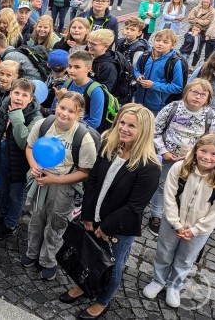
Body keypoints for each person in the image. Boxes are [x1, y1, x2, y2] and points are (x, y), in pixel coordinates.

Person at [60, 104, 160, 319]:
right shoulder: (109, 145)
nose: (124, 128)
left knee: (112, 266)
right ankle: (85, 285)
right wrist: (87, 215)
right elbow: (93, 180)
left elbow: (135, 206)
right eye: (122, 122)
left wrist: (106, 227)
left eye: (132, 126)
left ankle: (102, 301)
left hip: (120, 227)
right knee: (87, 255)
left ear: (144, 130)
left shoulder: (150, 166)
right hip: (93, 216)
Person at [23, 92, 97, 280]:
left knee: (56, 223)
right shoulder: (44, 124)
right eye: (62, 108)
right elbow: (30, 147)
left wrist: (54, 180)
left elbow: (85, 171)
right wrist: (34, 167)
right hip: (41, 180)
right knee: (36, 218)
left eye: (71, 111)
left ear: (79, 114)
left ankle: (48, 260)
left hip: (63, 185)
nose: (64, 113)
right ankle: (32, 252)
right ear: (56, 105)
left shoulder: (83, 138)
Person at [143, 134, 215, 309]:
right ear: (195, 150)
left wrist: (195, 230)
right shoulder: (180, 168)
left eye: (213, 154)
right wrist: (177, 224)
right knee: (164, 252)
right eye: (203, 151)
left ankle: (174, 286)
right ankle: (158, 280)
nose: (207, 157)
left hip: (198, 231)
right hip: (172, 223)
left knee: (186, 259)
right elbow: (169, 197)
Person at [147, 79, 215, 238]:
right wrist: (163, 151)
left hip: (194, 161)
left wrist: (194, 157)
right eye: (194, 92)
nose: (197, 97)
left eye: (203, 94)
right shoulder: (172, 108)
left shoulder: (211, 117)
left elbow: (214, 142)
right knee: (162, 185)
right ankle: (156, 214)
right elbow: (156, 130)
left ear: (208, 98)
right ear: (187, 92)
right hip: (168, 156)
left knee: (185, 189)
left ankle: (180, 217)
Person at [0, 78, 42, 239]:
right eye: (16, 93)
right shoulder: (3, 106)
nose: (19, 98)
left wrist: (17, 117)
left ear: (30, 99)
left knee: (15, 195)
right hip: (2, 156)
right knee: (3, 190)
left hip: (19, 163)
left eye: (24, 95)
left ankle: (11, 223)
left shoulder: (35, 117)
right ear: (10, 93)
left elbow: (24, 141)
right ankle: (1, 215)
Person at [135, 29, 185, 115]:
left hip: (157, 106)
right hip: (138, 101)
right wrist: (138, 75)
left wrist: (154, 85)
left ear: (173, 45)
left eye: (165, 42)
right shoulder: (145, 55)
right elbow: (136, 69)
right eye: (157, 40)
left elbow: (177, 87)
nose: (160, 43)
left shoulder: (174, 62)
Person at [86, 29, 119, 94]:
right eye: (89, 42)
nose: (89, 46)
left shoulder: (108, 67)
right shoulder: (91, 56)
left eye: (94, 44)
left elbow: (105, 91)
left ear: (106, 46)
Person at [187, 0, 215, 66]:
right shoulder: (197, 8)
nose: (205, 0)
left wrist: (196, 20)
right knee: (187, 45)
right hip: (192, 29)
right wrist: (199, 22)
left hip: (202, 32)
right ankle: (185, 61)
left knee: (198, 50)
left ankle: (193, 65)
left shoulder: (212, 11)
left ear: (210, 1)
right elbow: (190, 17)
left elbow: (207, 22)